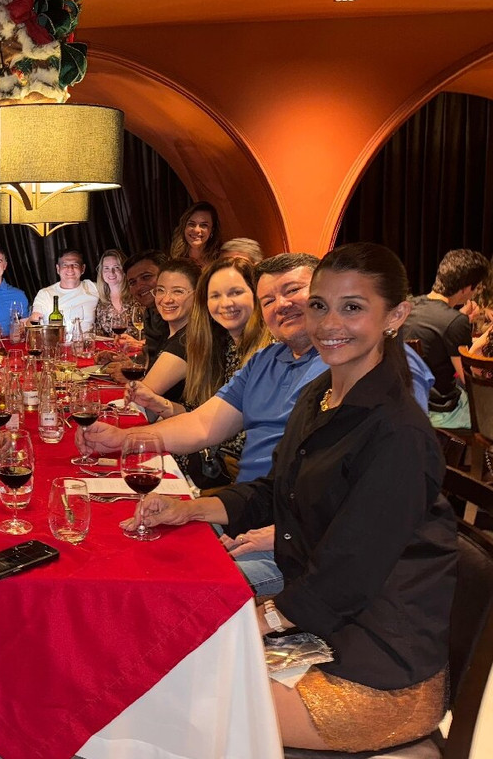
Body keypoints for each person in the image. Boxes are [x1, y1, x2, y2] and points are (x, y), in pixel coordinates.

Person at [128, 243, 455, 752]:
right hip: (322, 629)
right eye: (320, 305)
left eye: (352, 307)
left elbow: (348, 573)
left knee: (152, 699)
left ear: (395, 316)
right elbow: (275, 490)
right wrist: (188, 510)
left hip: (374, 669)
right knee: (148, 659)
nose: (329, 323)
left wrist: (261, 619)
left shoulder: (397, 431)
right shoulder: (321, 393)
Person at [81, 252, 435, 594]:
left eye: (294, 291)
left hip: (306, 546)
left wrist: (285, 535)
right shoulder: (272, 360)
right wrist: (123, 439)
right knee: (119, 553)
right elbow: (205, 425)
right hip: (250, 508)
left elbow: (377, 515)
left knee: (165, 587)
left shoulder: (375, 372)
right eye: (268, 299)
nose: (282, 304)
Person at [133, 257, 271, 484]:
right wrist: (161, 405)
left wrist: (130, 438)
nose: (225, 303)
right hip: (217, 461)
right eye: (215, 295)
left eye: (235, 292)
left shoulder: (268, 352)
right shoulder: (225, 344)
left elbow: (219, 432)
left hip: (238, 474)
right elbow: (200, 415)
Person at [401, 248, 489, 429]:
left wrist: (460, 317)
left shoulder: (409, 307)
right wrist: (484, 339)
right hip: (441, 412)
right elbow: (468, 378)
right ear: (466, 288)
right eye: (477, 287)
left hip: (408, 404)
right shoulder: (455, 321)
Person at [126, 258, 200, 405]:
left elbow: (140, 400)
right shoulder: (167, 332)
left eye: (177, 291)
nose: (166, 299)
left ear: (197, 294)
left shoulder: (186, 341)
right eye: (160, 290)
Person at [29, 248, 99, 333]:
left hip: (87, 340)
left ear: (83, 269)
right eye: (65, 265)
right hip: (55, 340)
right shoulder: (45, 293)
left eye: (75, 265)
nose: (70, 269)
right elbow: (34, 321)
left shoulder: (93, 287)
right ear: (58, 269)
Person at [93, 248, 135, 334]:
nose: (111, 272)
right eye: (106, 268)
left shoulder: (137, 295)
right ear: (101, 272)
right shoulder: (99, 302)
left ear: (124, 270)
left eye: (116, 267)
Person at [169, 202, 222, 268]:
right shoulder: (173, 258)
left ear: (212, 230)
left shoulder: (220, 259)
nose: (196, 230)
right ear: (184, 227)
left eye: (204, 225)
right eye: (191, 224)